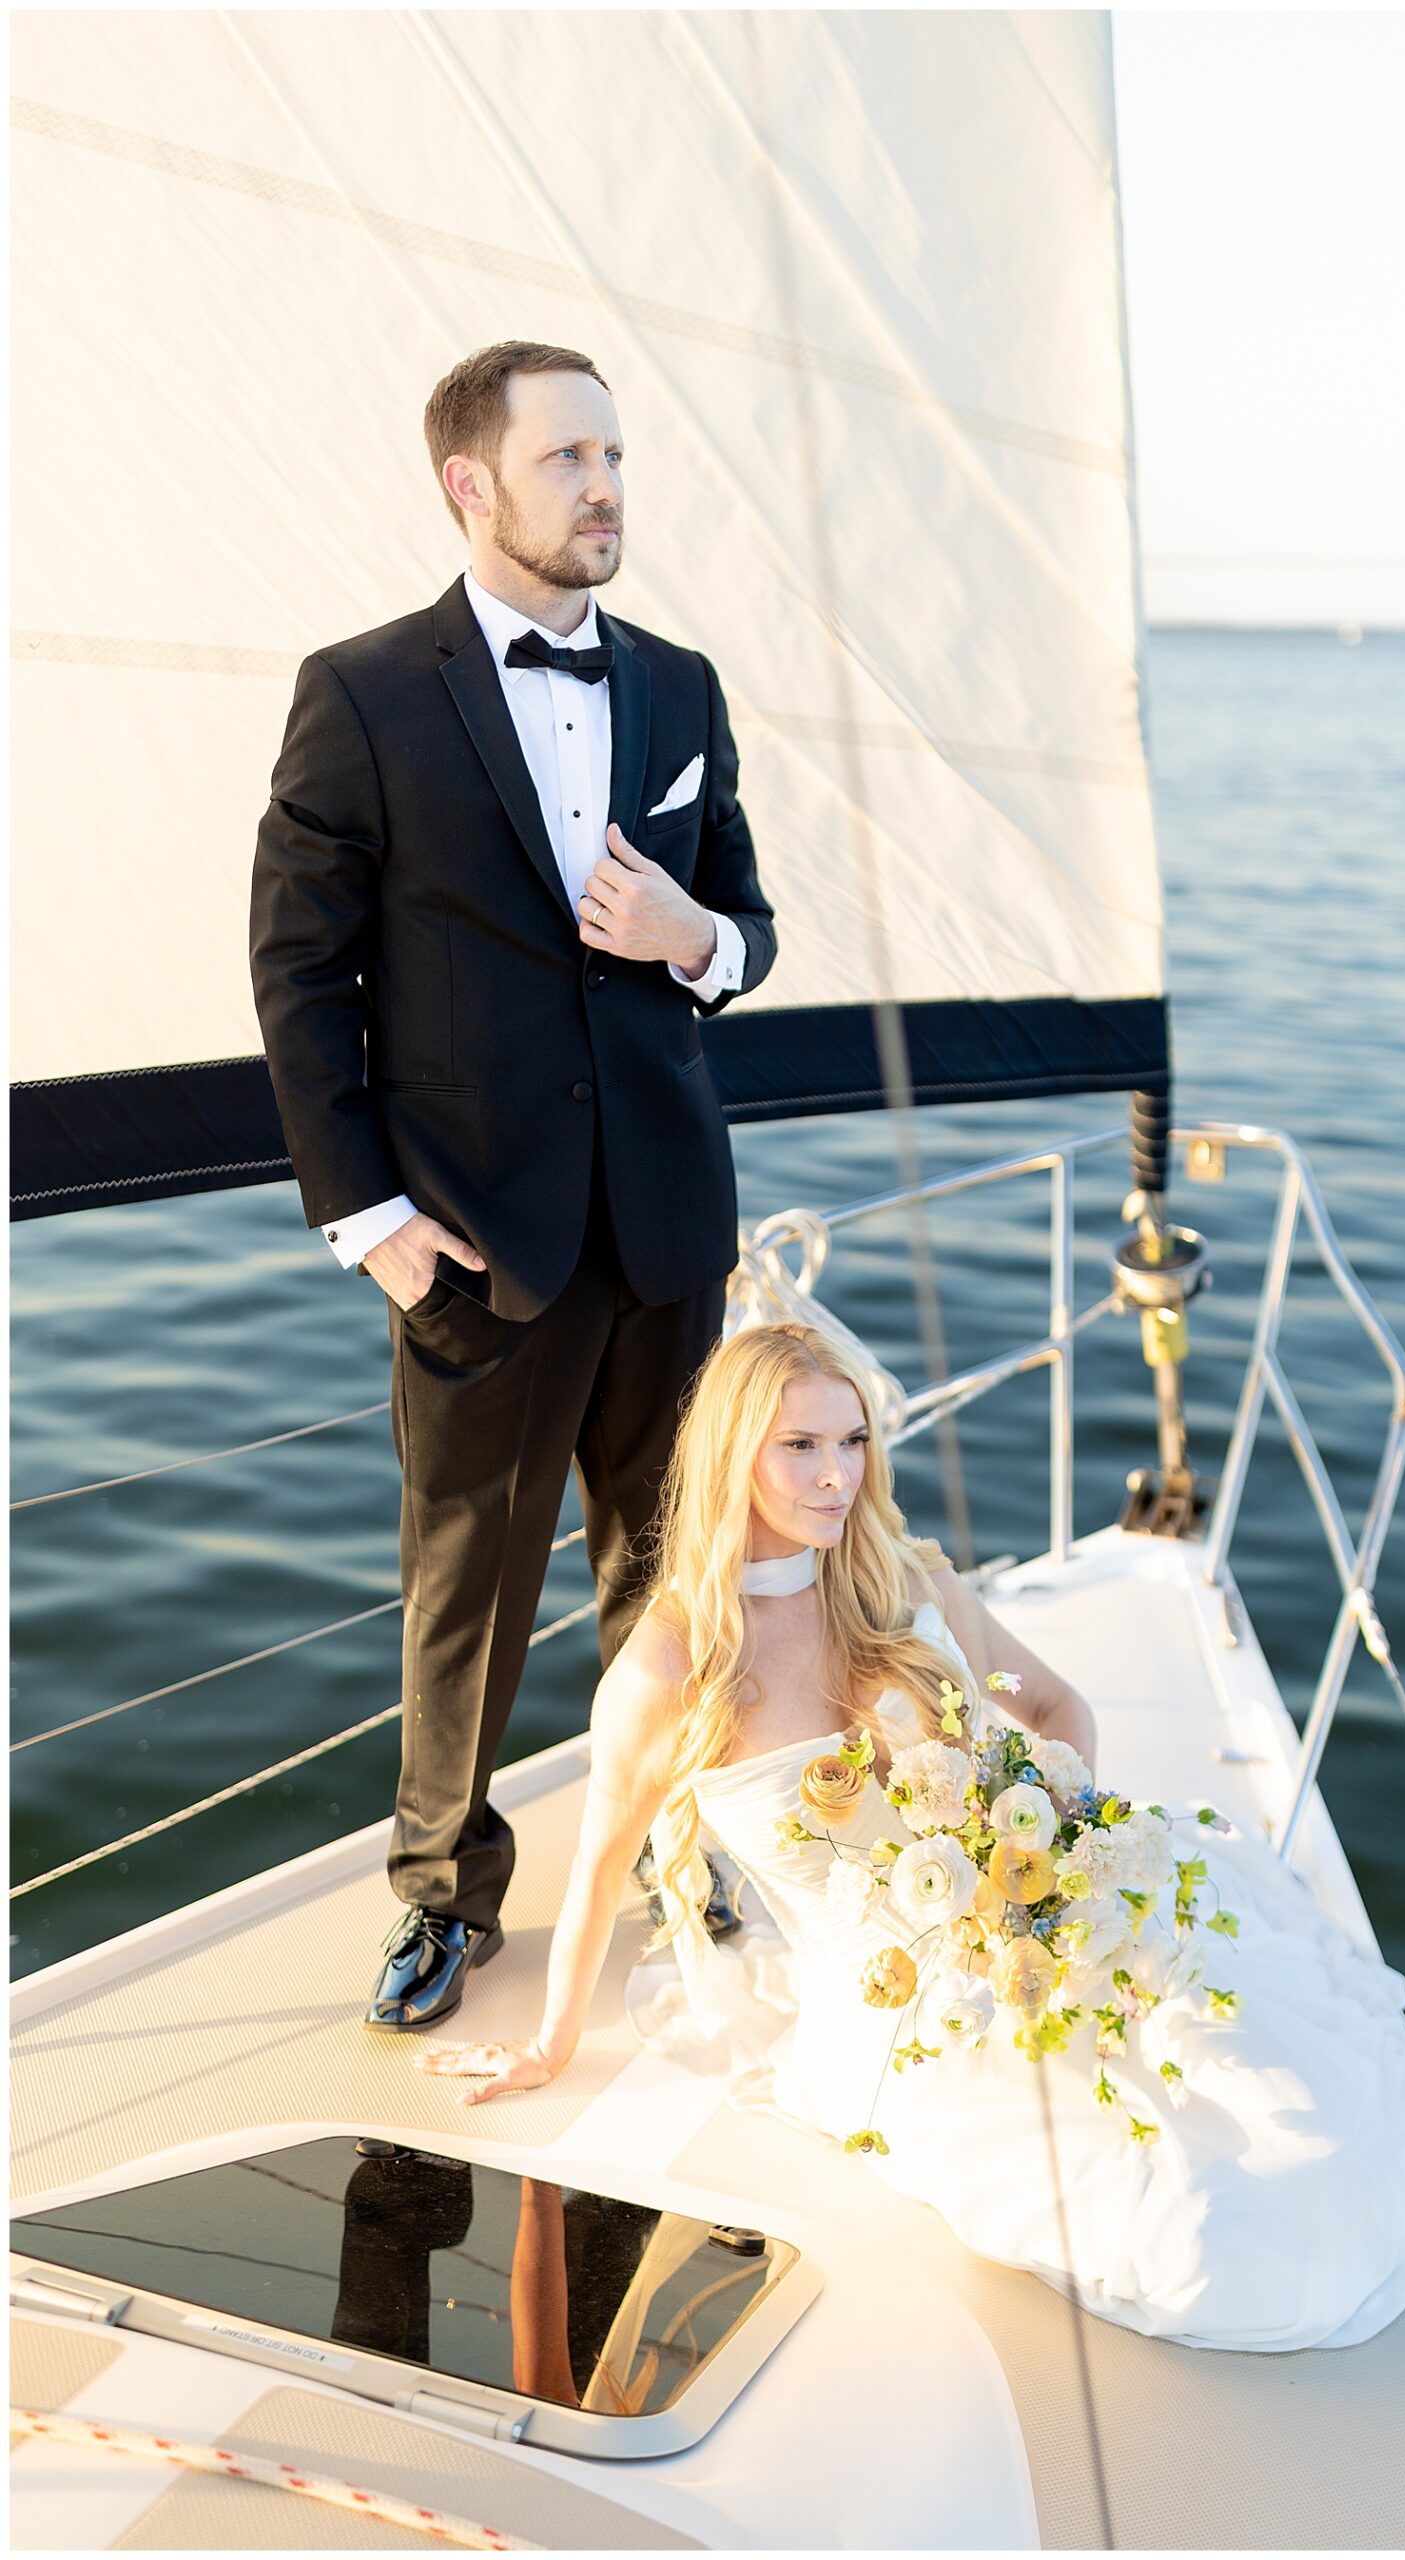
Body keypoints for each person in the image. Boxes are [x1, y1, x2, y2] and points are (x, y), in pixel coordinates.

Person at [418, 1323, 1405, 2354]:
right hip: (902, 2020)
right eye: (800, 1446)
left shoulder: (912, 1589)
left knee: (1298, 2106)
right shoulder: (668, 1675)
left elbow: (1051, 1707)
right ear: (729, 1454)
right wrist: (552, 2042)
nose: (836, 1476)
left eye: (852, 1441)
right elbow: (604, 1859)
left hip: (1055, 1920)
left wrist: (1066, 1855)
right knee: (1190, 2227)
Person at [250, 340, 775, 2033]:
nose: (607, 485)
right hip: (474, 1243)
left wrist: (693, 939)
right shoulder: (364, 691)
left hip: (672, 1228)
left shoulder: (684, 686)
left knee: (671, 1572)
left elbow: (748, 928)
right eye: (568, 458)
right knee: (466, 1592)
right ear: (471, 484)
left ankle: (661, 1849)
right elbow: (296, 969)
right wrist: (374, 1224)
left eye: (615, 453)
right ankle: (440, 1898)